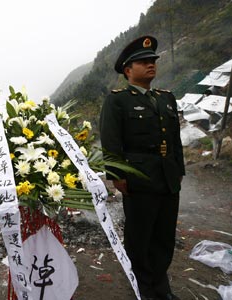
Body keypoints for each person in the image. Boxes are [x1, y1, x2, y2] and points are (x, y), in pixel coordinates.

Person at [99, 36, 185, 300]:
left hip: (168, 178)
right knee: (140, 238)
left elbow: (175, 140)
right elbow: (111, 141)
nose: (151, 65)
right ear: (128, 70)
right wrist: (117, 177)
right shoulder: (118, 101)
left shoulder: (166, 98)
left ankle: (161, 286)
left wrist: (179, 170)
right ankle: (144, 288)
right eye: (143, 62)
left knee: (164, 237)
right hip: (139, 179)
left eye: (153, 61)